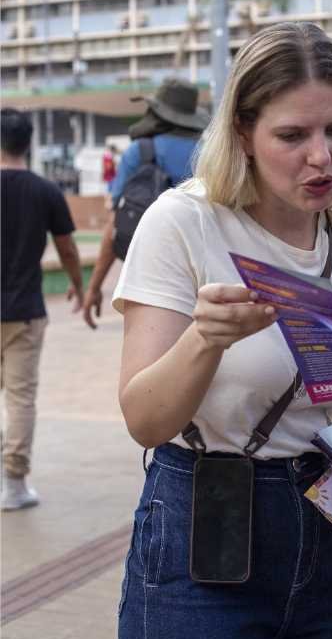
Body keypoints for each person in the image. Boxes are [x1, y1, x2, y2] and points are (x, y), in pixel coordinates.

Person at [114, 22, 332, 639]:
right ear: (244, 134)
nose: (322, 158)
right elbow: (144, 418)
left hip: (320, 528)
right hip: (202, 529)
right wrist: (205, 338)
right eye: (293, 135)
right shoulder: (183, 223)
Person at [1, 108, 85, 511]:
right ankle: (13, 485)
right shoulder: (44, 190)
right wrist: (78, 286)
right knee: (20, 397)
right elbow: (67, 247)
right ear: (28, 144)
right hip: (24, 311)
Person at [80, 77, 207, 329]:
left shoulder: (140, 151)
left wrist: (94, 288)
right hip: (205, 276)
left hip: (151, 278)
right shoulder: (209, 153)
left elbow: (115, 224)